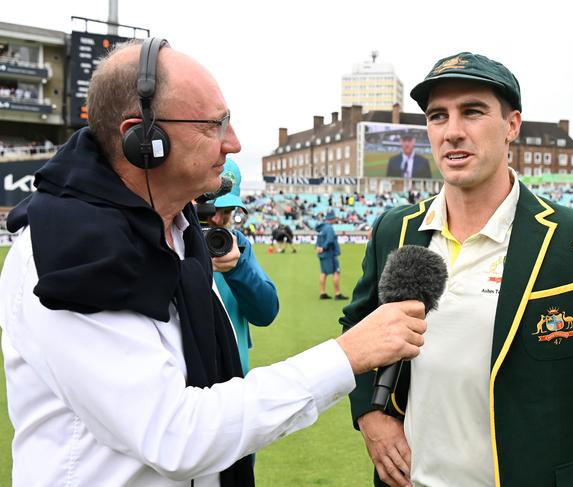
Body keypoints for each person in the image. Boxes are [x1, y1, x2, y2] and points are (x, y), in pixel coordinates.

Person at [0, 38, 428, 487]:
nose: (235, 142)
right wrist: (347, 355)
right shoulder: (67, 252)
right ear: (143, 139)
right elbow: (175, 435)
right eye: (213, 125)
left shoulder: (178, 229)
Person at [340, 51, 573, 487]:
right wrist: (371, 413)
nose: (452, 132)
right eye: (437, 116)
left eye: (472, 112)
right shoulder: (397, 229)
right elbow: (357, 328)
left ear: (512, 126)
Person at [207, 157, 279, 375]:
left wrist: (237, 269)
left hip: (234, 380)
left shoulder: (236, 244)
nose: (218, 220)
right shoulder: (173, 241)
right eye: (210, 209)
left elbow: (266, 312)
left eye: (227, 210)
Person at [316, 210, 348, 300]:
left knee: (323, 272)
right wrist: (324, 247)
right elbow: (330, 240)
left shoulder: (321, 227)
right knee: (336, 272)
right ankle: (337, 294)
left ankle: (322, 293)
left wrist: (318, 248)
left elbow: (318, 240)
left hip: (322, 254)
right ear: (332, 219)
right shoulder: (329, 228)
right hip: (330, 253)